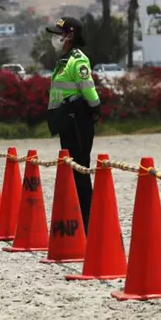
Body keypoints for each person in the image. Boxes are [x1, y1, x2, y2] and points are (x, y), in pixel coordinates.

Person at [45, 17, 101, 233]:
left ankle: (88, 221)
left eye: (58, 34)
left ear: (69, 35)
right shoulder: (64, 61)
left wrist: (96, 108)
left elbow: (88, 89)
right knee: (72, 169)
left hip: (77, 120)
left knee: (80, 170)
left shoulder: (78, 60)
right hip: (66, 122)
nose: (54, 38)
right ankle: (79, 217)